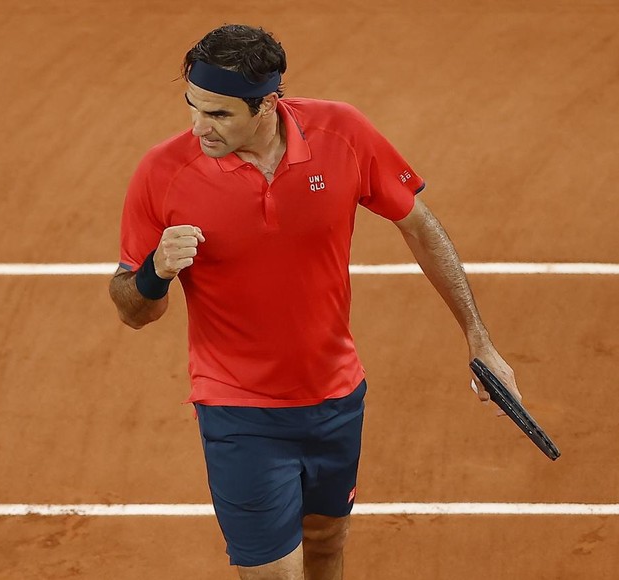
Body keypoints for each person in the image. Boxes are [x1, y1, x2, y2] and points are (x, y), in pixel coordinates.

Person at [108, 24, 522, 580]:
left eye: (219, 114)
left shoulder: (341, 133)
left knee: (325, 546)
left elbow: (420, 227)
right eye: (193, 107)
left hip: (336, 397)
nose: (198, 127)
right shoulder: (163, 173)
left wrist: (480, 338)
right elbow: (132, 310)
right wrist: (156, 273)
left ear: (267, 104)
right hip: (239, 409)